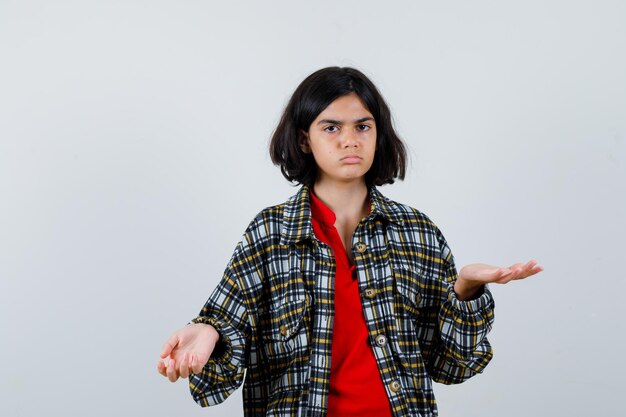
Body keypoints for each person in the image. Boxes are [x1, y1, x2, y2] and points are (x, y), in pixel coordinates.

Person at [156, 66, 543, 417]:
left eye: (362, 126)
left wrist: (465, 289)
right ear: (304, 139)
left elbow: (453, 366)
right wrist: (209, 333)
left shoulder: (417, 232)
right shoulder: (270, 233)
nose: (349, 140)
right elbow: (228, 329)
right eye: (331, 127)